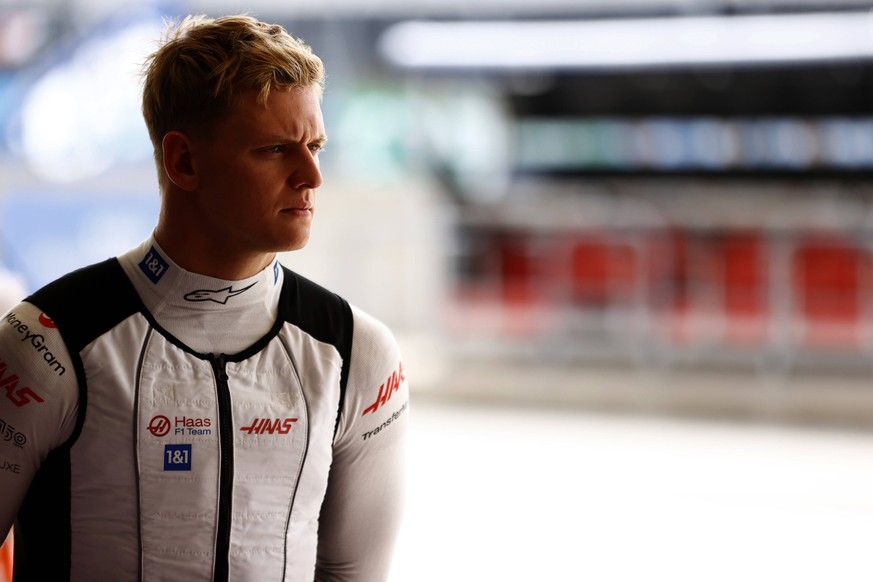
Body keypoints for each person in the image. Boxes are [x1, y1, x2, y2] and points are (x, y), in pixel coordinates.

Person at [0, 14, 409, 581]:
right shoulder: (46, 341)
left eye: (315, 145)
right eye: (274, 149)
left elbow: (353, 574)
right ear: (183, 161)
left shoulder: (357, 351)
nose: (312, 175)